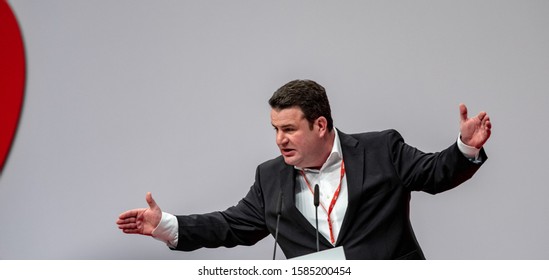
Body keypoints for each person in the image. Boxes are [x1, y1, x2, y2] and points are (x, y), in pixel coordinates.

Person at [116, 79, 491, 259]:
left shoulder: (381, 149)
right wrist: (166, 224)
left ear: (321, 125)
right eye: (276, 130)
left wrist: (464, 148)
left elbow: (433, 173)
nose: (280, 140)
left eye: (290, 129)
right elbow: (232, 226)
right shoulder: (271, 177)